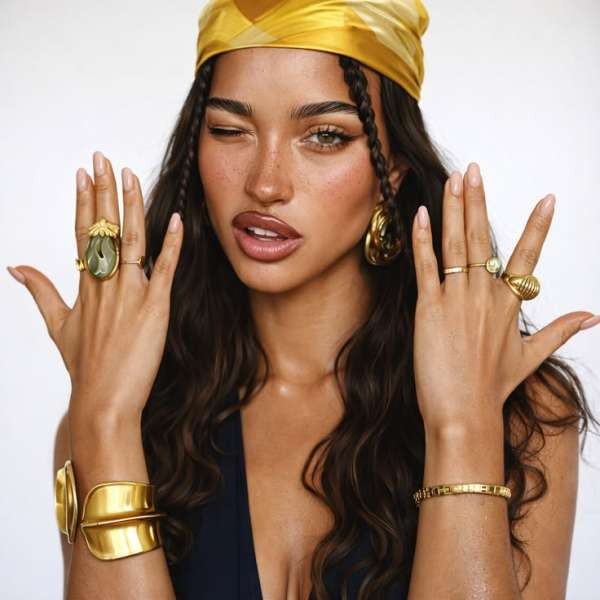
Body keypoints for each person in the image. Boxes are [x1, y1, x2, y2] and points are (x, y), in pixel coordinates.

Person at [7, 0, 600, 598]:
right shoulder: (120, 413)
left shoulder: (520, 412)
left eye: (324, 136)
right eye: (229, 130)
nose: (265, 183)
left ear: (391, 172)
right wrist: (105, 423)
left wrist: (463, 427)